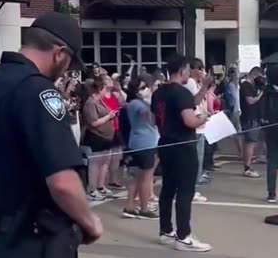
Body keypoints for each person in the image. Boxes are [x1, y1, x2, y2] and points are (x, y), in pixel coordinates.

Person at [0, 12, 102, 258]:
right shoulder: (38, 92)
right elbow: (62, 183)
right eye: (69, 61)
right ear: (59, 53)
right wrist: (90, 222)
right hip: (36, 241)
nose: (66, 70)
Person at [151, 54, 211, 252]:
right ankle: (183, 236)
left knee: (168, 188)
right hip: (183, 146)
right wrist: (203, 118)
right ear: (182, 70)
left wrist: (204, 89)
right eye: (188, 69)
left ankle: (165, 231)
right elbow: (189, 120)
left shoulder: (159, 93)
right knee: (185, 191)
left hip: (165, 144)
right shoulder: (182, 92)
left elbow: (158, 118)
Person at [122, 77, 159, 220]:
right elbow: (148, 117)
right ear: (136, 91)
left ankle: (130, 206)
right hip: (144, 144)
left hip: (139, 142)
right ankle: (144, 208)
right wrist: (151, 103)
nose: (146, 90)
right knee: (145, 177)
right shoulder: (136, 104)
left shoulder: (135, 103)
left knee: (136, 177)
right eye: (143, 87)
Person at [183, 58, 213, 201]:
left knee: (197, 160)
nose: (202, 71)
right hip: (195, 126)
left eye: (203, 68)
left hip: (201, 125)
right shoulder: (191, 82)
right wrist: (205, 86)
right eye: (199, 68)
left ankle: (191, 188)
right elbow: (194, 102)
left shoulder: (197, 83)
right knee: (195, 160)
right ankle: (191, 189)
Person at [82, 75, 115, 201]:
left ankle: (100, 186)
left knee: (104, 161)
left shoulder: (99, 101)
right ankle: (92, 189)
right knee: (95, 163)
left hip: (106, 136)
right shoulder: (90, 103)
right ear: (99, 89)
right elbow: (93, 122)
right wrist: (109, 117)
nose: (106, 92)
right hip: (96, 136)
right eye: (105, 89)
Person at [240, 66, 265, 178]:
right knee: (250, 143)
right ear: (254, 75)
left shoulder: (252, 86)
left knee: (251, 143)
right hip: (250, 118)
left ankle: (247, 165)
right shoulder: (246, 85)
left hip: (254, 117)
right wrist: (260, 95)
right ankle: (247, 167)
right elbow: (250, 101)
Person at [261, 64, 278, 203]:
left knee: (272, 161)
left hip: (270, 129)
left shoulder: (265, 91)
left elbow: (262, 112)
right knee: (272, 161)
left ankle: (271, 193)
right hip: (272, 128)